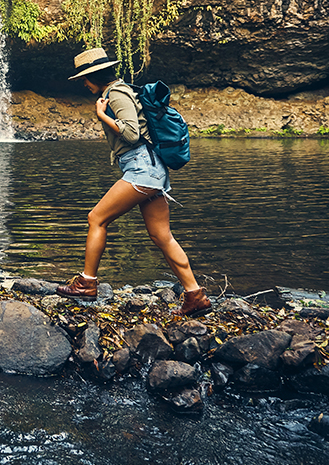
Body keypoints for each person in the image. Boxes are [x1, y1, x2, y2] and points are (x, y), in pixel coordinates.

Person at [56, 48, 212, 317]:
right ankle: (194, 296)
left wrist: (102, 116)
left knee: (97, 218)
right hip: (150, 168)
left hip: (142, 168)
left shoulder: (115, 93)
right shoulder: (119, 90)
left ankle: (86, 283)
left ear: (95, 75)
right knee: (162, 236)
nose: (83, 83)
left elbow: (131, 133)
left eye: (85, 78)